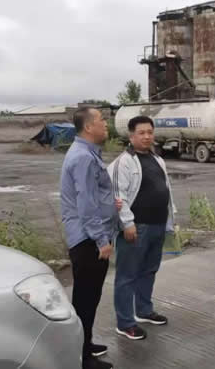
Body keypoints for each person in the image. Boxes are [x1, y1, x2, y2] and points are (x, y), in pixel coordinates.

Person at [108, 115, 176, 340]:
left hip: (157, 225)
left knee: (149, 270)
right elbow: (118, 196)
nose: (147, 136)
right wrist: (127, 224)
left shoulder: (157, 159)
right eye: (141, 133)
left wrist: (169, 222)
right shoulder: (123, 162)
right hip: (136, 228)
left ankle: (144, 311)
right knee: (127, 276)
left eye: (150, 132)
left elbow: (165, 191)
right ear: (131, 136)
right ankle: (125, 323)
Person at [60, 107, 117, 369]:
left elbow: (93, 195)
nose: (106, 124)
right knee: (85, 299)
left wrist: (110, 203)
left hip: (89, 237)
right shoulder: (83, 157)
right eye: (102, 120)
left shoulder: (87, 153)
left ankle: (85, 343)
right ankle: (82, 358)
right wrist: (101, 240)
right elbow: (85, 204)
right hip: (88, 241)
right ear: (88, 127)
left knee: (89, 298)